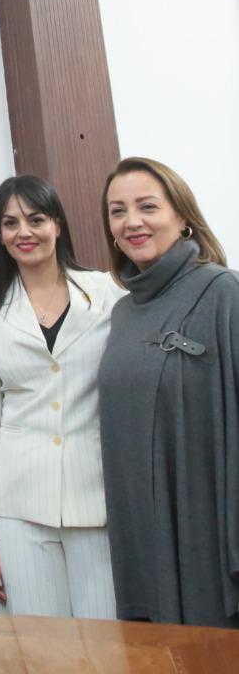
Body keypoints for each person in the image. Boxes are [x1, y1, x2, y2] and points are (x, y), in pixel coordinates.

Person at [0, 174, 122, 618]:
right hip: (16, 507)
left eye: (35, 219)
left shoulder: (109, 293)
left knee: (109, 647)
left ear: (57, 224)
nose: (23, 232)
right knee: (33, 653)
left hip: (100, 501)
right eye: (10, 223)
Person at [99, 156, 239, 628]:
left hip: (211, 539)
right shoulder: (122, 314)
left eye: (147, 207)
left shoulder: (222, 292)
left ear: (182, 217)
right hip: (141, 540)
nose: (132, 222)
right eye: (118, 211)